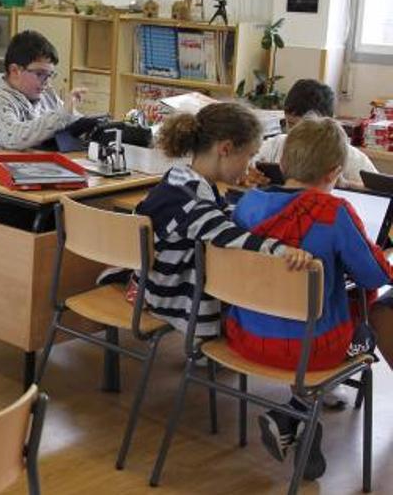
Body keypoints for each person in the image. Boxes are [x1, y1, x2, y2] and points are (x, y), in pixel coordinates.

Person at [228, 118, 393, 480]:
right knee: (364, 333)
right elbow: (374, 276)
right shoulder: (334, 212)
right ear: (336, 172)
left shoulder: (247, 203)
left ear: (284, 163)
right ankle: (296, 410)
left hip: (242, 336)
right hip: (311, 351)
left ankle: (296, 419)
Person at [135, 102, 311, 337]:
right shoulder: (195, 200)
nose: (250, 166)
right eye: (249, 156)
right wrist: (282, 250)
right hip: (170, 300)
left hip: (149, 285)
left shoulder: (180, 179)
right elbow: (227, 235)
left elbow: (214, 215)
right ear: (225, 149)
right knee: (254, 280)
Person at [0, 30, 85, 150]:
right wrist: (63, 115)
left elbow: (65, 118)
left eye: (50, 75)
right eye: (40, 74)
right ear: (15, 71)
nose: (46, 82)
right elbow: (14, 137)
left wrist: (86, 123)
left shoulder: (45, 92)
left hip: (28, 165)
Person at [248, 79, 376, 187]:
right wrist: (248, 174)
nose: (295, 134)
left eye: (305, 129)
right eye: (290, 124)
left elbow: (379, 193)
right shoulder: (276, 145)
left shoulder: (352, 159)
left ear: (328, 124)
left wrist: (345, 185)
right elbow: (245, 164)